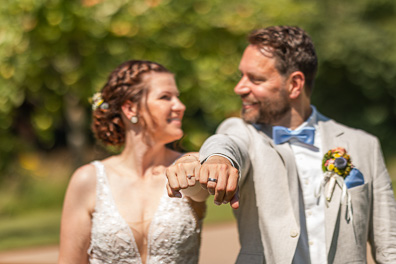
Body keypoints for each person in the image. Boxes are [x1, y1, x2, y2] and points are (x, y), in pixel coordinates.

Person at [166, 26, 396, 263]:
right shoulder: (243, 132)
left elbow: (390, 248)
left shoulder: (364, 145)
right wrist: (218, 160)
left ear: (295, 84)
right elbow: (226, 142)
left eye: (255, 79)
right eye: (241, 76)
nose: (240, 88)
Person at [58, 60, 208, 264]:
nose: (180, 106)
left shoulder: (188, 168)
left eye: (178, 97)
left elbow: (202, 172)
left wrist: (197, 160)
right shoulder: (88, 180)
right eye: (166, 97)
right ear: (130, 109)